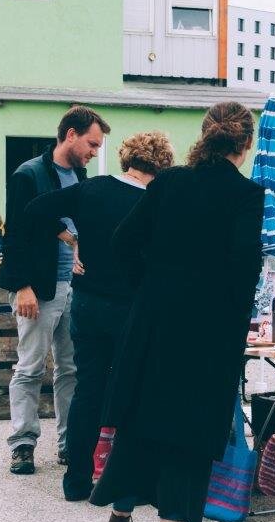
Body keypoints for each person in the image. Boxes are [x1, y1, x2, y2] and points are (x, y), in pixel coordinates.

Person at [91, 102, 262, 522]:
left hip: (152, 321)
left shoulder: (168, 182)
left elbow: (123, 242)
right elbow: (245, 272)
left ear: (204, 134)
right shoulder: (246, 196)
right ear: (245, 145)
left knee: (142, 420)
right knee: (187, 431)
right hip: (207, 331)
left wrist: (150, 287)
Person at [26, 131, 175, 500]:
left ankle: (76, 480)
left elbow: (34, 210)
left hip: (88, 305)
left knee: (88, 390)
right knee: (134, 392)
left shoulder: (90, 189)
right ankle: (125, 480)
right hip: (134, 310)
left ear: (127, 157)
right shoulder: (158, 201)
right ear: (163, 164)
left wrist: (73, 239)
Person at [0, 105, 109, 475]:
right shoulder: (29, 174)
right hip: (39, 286)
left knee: (71, 369)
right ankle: (23, 444)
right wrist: (22, 286)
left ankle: (69, 444)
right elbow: (16, 232)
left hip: (76, 285)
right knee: (29, 367)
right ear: (71, 135)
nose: (95, 151)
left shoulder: (80, 173)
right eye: (92, 143)